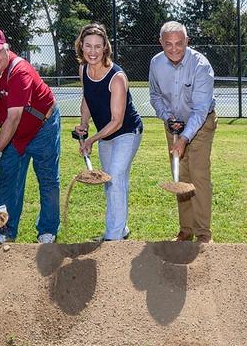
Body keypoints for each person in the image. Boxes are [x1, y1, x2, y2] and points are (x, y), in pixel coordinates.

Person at [0, 27, 60, 244]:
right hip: (12, 132)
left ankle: (47, 231)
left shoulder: (20, 71)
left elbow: (14, 118)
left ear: (7, 49)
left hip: (43, 127)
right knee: (9, 178)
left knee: (47, 179)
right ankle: (6, 230)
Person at [73, 23, 143, 241]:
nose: (92, 51)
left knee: (114, 178)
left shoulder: (117, 77)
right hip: (106, 134)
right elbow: (87, 98)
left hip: (127, 132)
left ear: (105, 48)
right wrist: (84, 123)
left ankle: (113, 237)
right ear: (81, 47)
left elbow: (117, 120)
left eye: (97, 46)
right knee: (113, 182)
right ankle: (121, 229)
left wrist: (92, 138)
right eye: (88, 46)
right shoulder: (84, 69)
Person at [148, 21, 217, 243]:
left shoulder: (201, 66)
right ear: (161, 43)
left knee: (198, 174)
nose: (174, 48)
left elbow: (200, 109)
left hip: (201, 123)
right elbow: (155, 95)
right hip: (173, 124)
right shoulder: (156, 64)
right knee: (181, 175)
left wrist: (185, 138)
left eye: (179, 43)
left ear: (187, 41)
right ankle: (186, 231)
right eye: (168, 44)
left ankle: (204, 234)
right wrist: (167, 118)